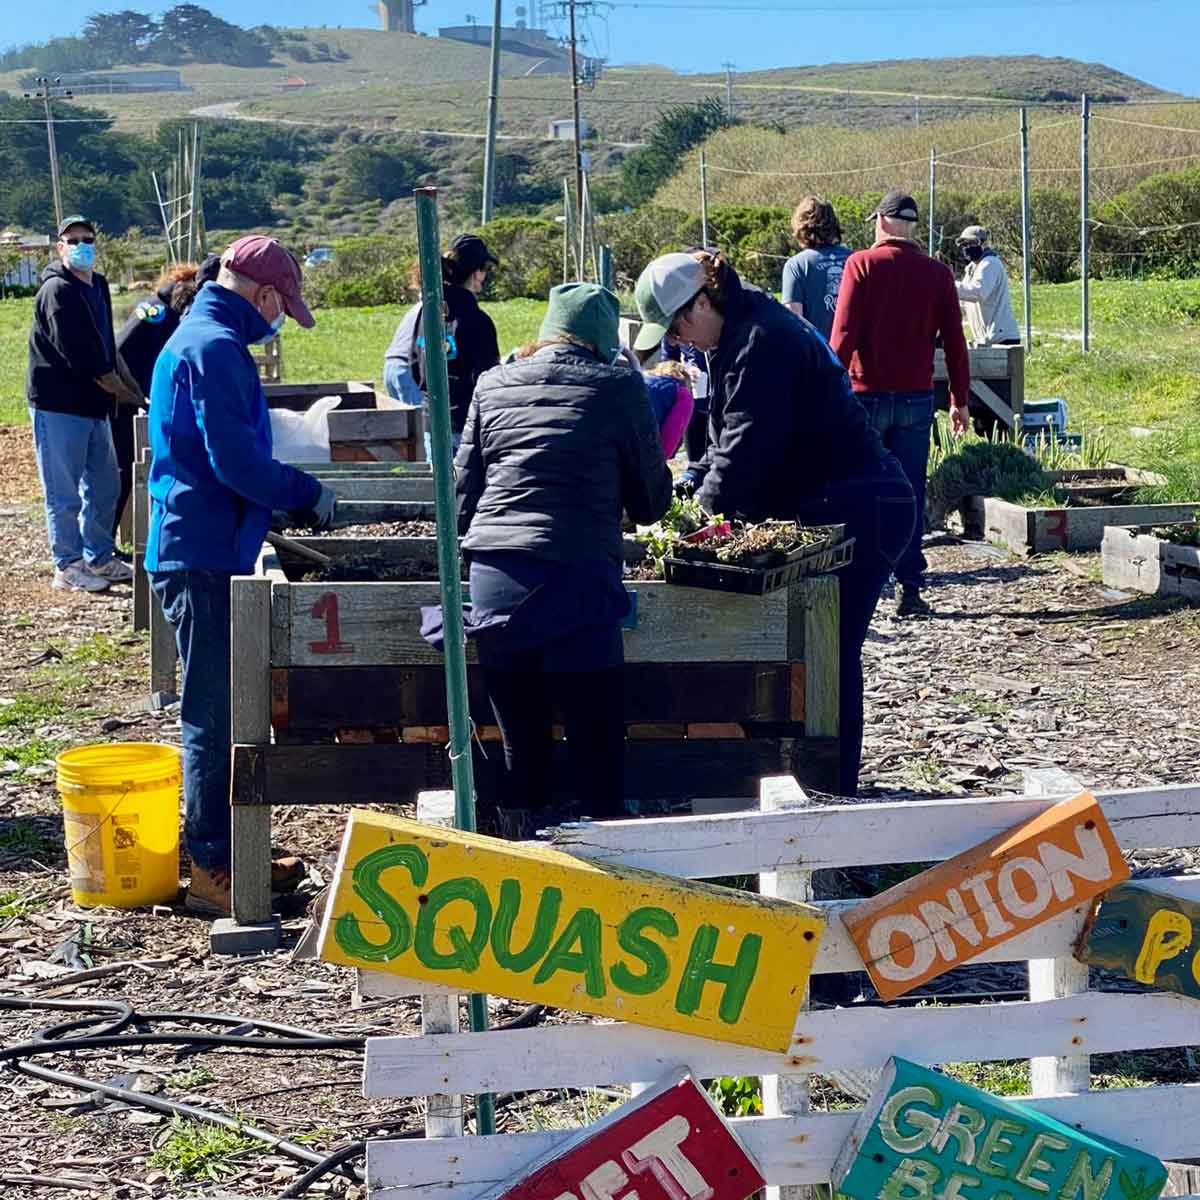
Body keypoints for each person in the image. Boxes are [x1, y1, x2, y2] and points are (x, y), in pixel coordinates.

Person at [634, 250, 915, 798]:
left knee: (830, 652)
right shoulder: (737, 336)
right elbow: (720, 449)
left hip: (860, 505)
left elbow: (743, 460)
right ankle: (802, 777)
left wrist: (689, 527)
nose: (681, 339)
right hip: (829, 501)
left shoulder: (764, 339)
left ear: (703, 299)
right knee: (804, 650)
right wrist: (689, 495)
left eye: (680, 323)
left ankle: (835, 789)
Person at [144, 235, 336, 915]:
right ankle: (214, 869)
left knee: (223, 710)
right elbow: (236, 463)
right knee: (212, 714)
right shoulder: (216, 349)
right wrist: (305, 492)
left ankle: (232, 845)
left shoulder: (202, 336)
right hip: (200, 552)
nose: (279, 322)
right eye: (284, 308)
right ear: (264, 296)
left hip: (206, 541)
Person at [449, 282, 672, 835]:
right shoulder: (619, 386)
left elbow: (461, 498)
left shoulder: (492, 383)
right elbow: (650, 504)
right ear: (601, 341)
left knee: (521, 744)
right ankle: (605, 873)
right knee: (597, 746)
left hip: (498, 578)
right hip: (578, 578)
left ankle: (521, 861)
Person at [830, 188, 971, 618]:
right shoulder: (937, 273)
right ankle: (910, 586)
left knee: (860, 488)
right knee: (908, 490)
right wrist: (959, 400)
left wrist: (822, 387)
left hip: (866, 394)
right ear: (910, 226)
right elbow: (955, 341)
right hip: (915, 397)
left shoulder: (862, 264)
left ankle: (860, 581)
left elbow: (844, 335)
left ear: (883, 222)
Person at [26, 214, 140, 593]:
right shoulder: (57, 291)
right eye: (71, 240)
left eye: (86, 238)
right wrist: (123, 393)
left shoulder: (99, 286)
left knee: (105, 483)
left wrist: (132, 387)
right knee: (64, 491)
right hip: (59, 404)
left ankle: (99, 555)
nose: (80, 245)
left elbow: (108, 347)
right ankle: (68, 564)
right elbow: (86, 359)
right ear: (60, 247)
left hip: (94, 406)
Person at [112, 255, 221, 543]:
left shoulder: (162, 305)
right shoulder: (161, 312)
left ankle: (104, 545)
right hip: (124, 399)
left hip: (132, 396)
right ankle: (103, 547)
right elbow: (123, 352)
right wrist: (137, 394)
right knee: (123, 472)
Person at [384, 234, 501, 461]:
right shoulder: (477, 320)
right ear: (476, 273)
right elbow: (488, 381)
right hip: (466, 427)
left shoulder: (427, 313)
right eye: (485, 269)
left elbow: (416, 365)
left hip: (433, 425)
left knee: (437, 491)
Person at [781, 195, 852, 342]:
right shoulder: (855, 259)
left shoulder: (796, 265)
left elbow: (793, 323)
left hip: (819, 357)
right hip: (853, 356)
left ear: (800, 226)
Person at [955, 225, 1020, 349]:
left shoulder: (990, 263)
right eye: (963, 244)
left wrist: (949, 284)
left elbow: (978, 292)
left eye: (971, 243)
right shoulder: (972, 269)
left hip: (1002, 339)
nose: (967, 248)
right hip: (986, 340)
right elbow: (964, 302)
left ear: (983, 244)